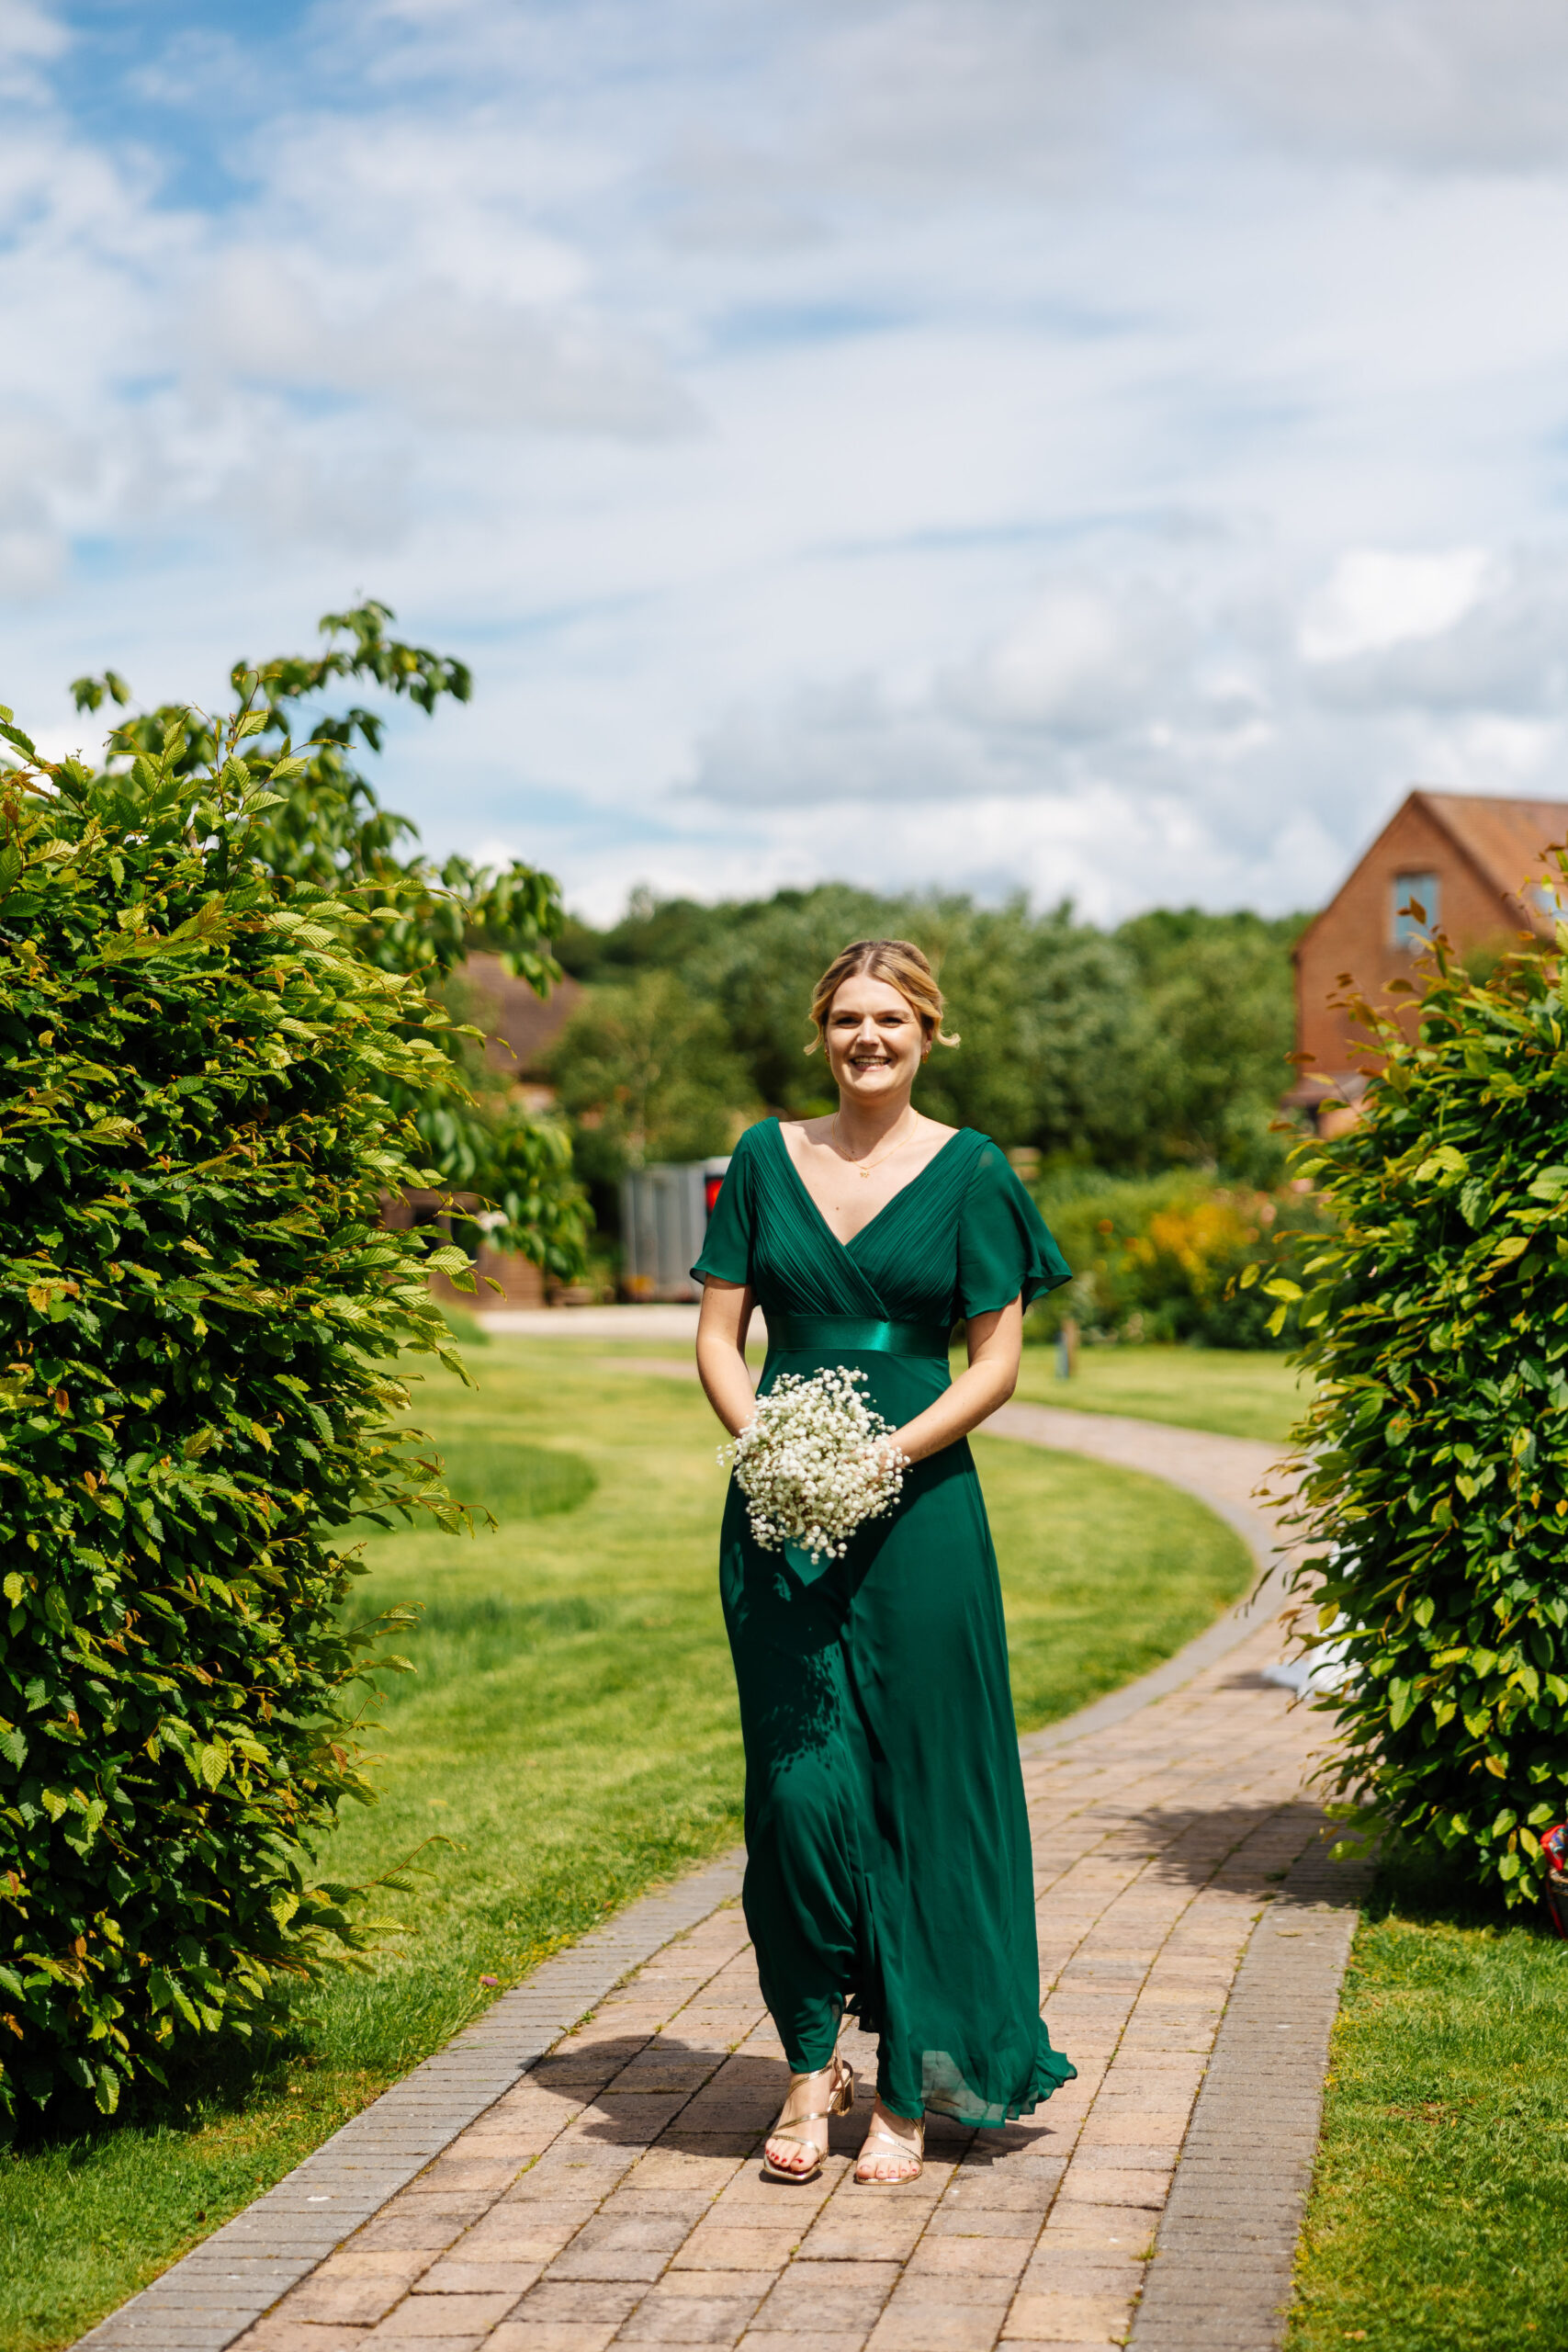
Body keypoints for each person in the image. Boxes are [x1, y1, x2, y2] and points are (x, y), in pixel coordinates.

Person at [694, 938, 1077, 2186]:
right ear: (822, 1031)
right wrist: (775, 1456)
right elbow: (716, 1338)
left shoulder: (972, 1173)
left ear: (929, 1034)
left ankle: (909, 2086)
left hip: (923, 1522)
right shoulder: (762, 1158)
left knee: (923, 1792)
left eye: (892, 1021)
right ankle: (811, 2068)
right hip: (780, 1523)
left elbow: (996, 1364)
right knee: (798, 1797)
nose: (869, 1038)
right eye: (849, 1018)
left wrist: (877, 1461)